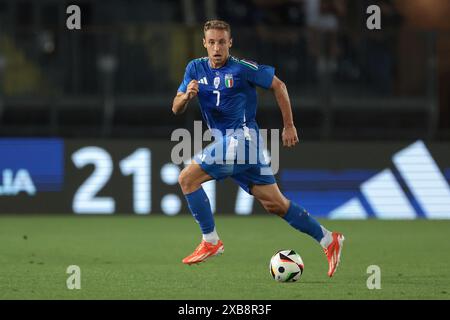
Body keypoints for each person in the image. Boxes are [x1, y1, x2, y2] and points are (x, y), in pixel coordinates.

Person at [172, 20, 344, 277]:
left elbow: (279, 86)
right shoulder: (194, 68)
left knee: (187, 178)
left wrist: (289, 125)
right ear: (204, 43)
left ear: (230, 43)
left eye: (222, 42)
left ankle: (210, 241)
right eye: (212, 42)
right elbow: (175, 107)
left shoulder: (242, 69)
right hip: (232, 145)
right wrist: (186, 96)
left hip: (242, 140)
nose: (217, 47)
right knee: (276, 204)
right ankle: (329, 240)